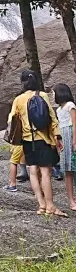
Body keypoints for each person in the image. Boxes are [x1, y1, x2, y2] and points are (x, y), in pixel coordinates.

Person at [9, 69, 65, 217]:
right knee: (46, 173)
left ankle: (41, 205)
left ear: (22, 82)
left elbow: (11, 121)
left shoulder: (18, 99)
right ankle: (51, 206)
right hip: (43, 139)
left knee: (33, 172)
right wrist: (57, 137)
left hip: (27, 141)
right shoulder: (42, 95)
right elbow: (52, 118)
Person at [54, 83, 76, 211]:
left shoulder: (70, 105)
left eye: (54, 92)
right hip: (63, 136)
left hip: (71, 135)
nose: (53, 95)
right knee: (67, 170)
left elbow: (74, 123)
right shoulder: (58, 109)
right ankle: (71, 200)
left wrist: (74, 141)